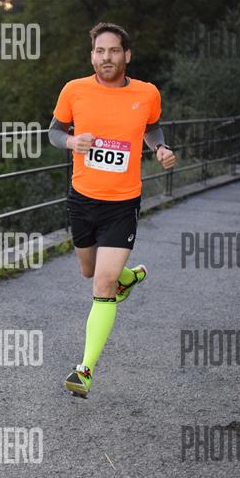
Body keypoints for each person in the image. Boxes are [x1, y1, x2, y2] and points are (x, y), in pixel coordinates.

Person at [48, 22, 176, 398]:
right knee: (89, 270)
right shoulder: (74, 90)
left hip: (122, 203)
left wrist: (160, 148)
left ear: (126, 55)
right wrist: (71, 141)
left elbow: (152, 128)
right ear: (92, 56)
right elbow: (54, 131)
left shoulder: (147, 93)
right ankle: (128, 278)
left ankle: (84, 371)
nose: (107, 57)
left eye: (114, 51)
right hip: (82, 198)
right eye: (100, 51)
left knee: (102, 284)